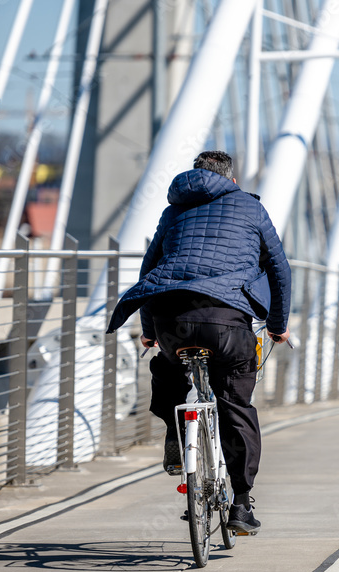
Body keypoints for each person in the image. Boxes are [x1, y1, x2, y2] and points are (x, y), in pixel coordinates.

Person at [107, 151, 291, 535]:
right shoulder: (249, 206)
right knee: (235, 405)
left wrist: (150, 331)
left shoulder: (173, 210)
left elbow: (150, 271)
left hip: (171, 320)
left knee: (167, 367)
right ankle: (241, 504)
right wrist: (278, 325)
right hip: (226, 322)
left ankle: (177, 437)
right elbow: (278, 268)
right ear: (232, 180)